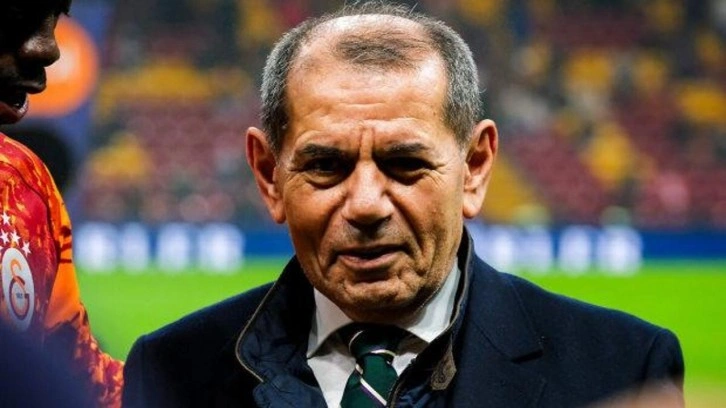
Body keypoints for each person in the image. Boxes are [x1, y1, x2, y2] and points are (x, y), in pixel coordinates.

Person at [123, 2, 684, 407]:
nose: (366, 205)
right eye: (326, 166)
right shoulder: (168, 374)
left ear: (475, 167)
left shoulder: (623, 371)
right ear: (270, 175)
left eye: (406, 163)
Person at [0, 0, 123, 406]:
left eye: (57, 17)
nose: (49, 48)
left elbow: (84, 382)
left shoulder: (26, 184)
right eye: (18, 14)